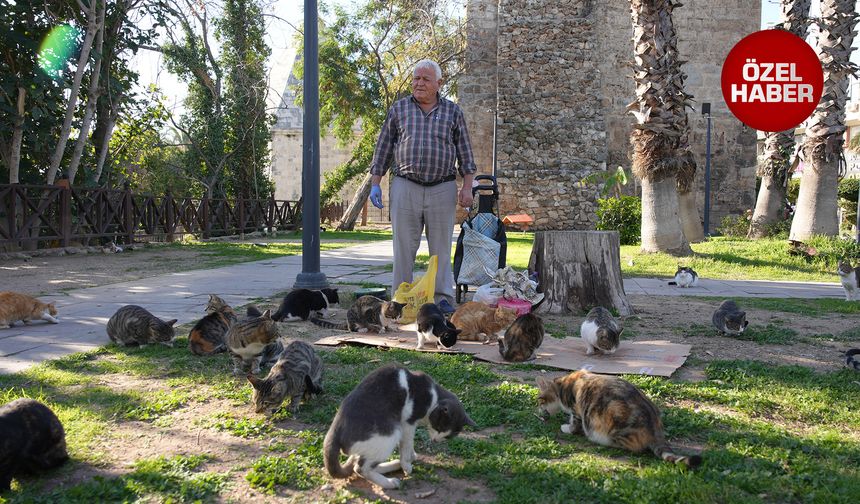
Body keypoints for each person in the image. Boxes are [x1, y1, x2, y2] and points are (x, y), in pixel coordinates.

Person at [368, 59, 476, 313]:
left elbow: (465, 153)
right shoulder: (399, 109)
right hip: (405, 186)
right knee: (403, 248)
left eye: (425, 79)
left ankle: (442, 298)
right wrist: (375, 183)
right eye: (416, 78)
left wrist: (467, 187)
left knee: (440, 249)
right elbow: (383, 147)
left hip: (442, 187)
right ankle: (400, 300)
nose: (419, 83)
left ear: (439, 83)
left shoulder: (453, 112)